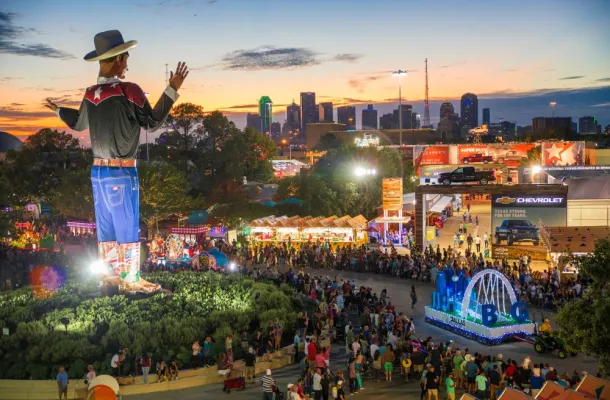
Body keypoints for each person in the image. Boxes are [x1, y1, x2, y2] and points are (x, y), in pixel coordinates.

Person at [46, 30, 188, 293]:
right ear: (117, 59)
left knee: (107, 227)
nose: (127, 64)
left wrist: (57, 110)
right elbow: (153, 121)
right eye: (125, 58)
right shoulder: (128, 90)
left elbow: (77, 123)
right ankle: (132, 280)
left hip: (97, 174)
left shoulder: (91, 93)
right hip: (121, 173)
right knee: (126, 227)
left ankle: (111, 276)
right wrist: (172, 89)